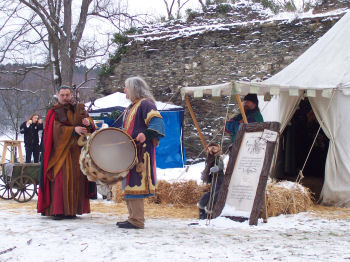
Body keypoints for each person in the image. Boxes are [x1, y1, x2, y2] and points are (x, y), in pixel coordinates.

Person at [37, 85, 95, 220]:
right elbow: (54, 129)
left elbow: (90, 126)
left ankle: (72, 210)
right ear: (58, 95)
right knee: (60, 180)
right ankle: (57, 211)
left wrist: (88, 122)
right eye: (62, 95)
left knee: (76, 180)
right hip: (60, 153)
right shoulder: (54, 111)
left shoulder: (79, 109)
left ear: (71, 95)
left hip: (77, 153)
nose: (65, 98)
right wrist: (73, 130)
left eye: (67, 95)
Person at [116, 76, 165, 229]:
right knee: (129, 185)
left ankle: (137, 220)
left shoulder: (146, 104)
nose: (124, 90)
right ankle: (132, 217)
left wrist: (147, 134)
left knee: (135, 185)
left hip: (141, 153)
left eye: (126, 87)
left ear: (134, 89)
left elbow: (157, 122)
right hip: (131, 152)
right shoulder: (132, 106)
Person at [197, 142, 225, 219]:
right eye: (210, 149)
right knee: (210, 194)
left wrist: (217, 168)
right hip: (213, 179)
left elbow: (220, 166)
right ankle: (202, 210)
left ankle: (209, 211)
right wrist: (205, 174)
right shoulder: (210, 159)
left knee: (215, 194)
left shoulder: (218, 158)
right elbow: (207, 168)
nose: (211, 151)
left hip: (219, 178)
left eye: (214, 148)